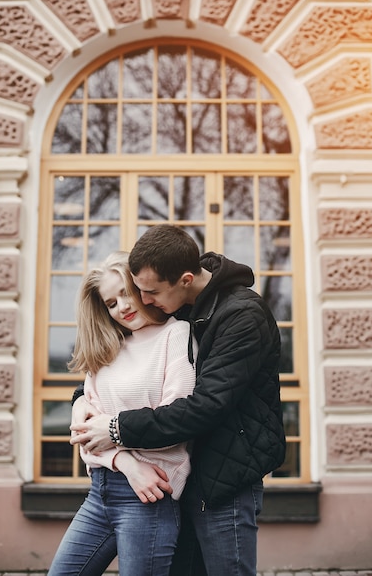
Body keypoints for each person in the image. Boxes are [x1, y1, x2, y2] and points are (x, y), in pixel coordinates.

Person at [70, 225, 286, 576]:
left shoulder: (241, 315)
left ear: (185, 279)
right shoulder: (179, 306)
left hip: (222, 480)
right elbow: (128, 377)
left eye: (148, 293)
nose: (143, 301)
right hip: (177, 482)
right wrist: (81, 399)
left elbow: (208, 405)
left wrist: (116, 427)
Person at [48, 251, 196, 576]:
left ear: (143, 288)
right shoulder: (108, 349)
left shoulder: (176, 335)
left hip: (148, 497)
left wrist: (117, 449)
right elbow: (87, 438)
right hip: (101, 491)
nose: (123, 307)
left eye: (126, 293)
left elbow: (178, 422)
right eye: (111, 303)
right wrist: (126, 463)